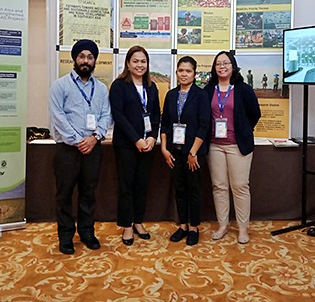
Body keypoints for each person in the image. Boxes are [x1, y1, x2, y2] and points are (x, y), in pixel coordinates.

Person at [48, 39, 111, 254]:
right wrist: (77, 140)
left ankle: (86, 232)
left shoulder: (101, 89)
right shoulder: (60, 85)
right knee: (64, 195)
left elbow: (106, 115)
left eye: (90, 57)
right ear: (74, 59)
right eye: (82, 56)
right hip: (67, 150)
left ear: (95, 61)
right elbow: (58, 117)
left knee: (88, 193)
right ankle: (65, 236)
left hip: (93, 148)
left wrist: (94, 137)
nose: (86, 61)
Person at [207, 51, 262, 244]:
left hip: (237, 145)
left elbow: (255, 113)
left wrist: (244, 130)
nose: (222, 66)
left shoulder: (243, 89)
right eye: (218, 64)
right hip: (215, 146)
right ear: (214, 68)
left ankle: (243, 228)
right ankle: (223, 225)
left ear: (233, 66)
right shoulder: (209, 89)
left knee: (240, 186)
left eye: (226, 63)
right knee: (219, 187)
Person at [109, 46, 161, 245]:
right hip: (126, 145)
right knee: (126, 186)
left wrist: (152, 137)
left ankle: (138, 221)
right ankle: (127, 226)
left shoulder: (152, 86)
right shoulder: (119, 85)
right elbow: (119, 116)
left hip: (147, 144)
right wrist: (136, 140)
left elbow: (155, 115)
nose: (140, 65)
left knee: (141, 185)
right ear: (128, 64)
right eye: (136, 61)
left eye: (143, 61)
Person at [160, 56, 211, 246]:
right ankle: (182, 225)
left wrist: (193, 153)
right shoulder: (171, 95)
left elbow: (204, 125)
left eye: (188, 71)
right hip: (174, 151)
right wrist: (164, 149)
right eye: (181, 70)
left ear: (194, 74)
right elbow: (165, 125)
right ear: (176, 73)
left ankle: (194, 227)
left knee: (194, 190)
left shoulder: (201, 95)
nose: (184, 74)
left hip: (194, 153)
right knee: (179, 189)